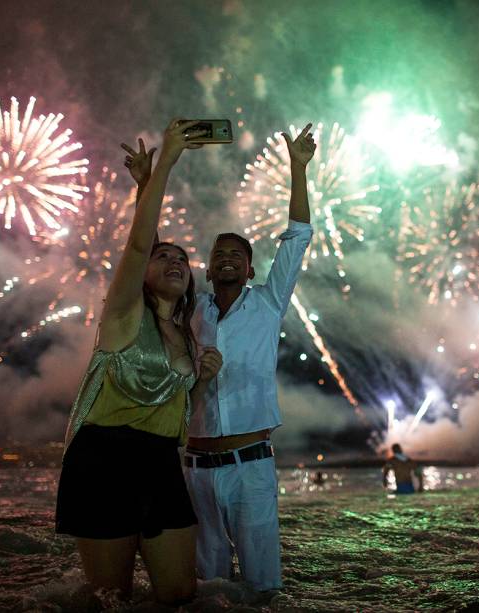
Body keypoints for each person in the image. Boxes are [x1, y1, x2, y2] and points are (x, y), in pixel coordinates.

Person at [56, 122, 223, 604]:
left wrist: (203, 382)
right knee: (112, 597)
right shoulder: (124, 314)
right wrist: (163, 166)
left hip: (160, 463)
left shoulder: (186, 338)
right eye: (163, 256)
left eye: (182, 258)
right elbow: (136, 245)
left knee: (179, 593)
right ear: (141, 275)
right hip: (103, 459)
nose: (175, 260)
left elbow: (179, 410)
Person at [180, 123, 316, 592]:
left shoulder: (267, 302)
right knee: (207, 589)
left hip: (250, 464)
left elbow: (297, 237)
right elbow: (146, 268)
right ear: (208, 266)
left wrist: (298, 169)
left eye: (238, 254)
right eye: (220, 253)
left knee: (263, 589)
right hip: (194, 469)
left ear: (252, 268)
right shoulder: (191, 309)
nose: (228, 258)